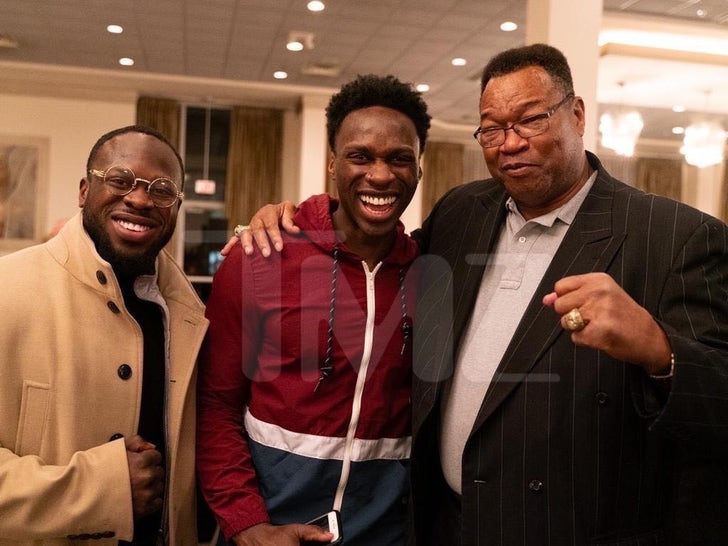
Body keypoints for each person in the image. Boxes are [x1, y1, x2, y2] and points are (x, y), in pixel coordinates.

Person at [233, 44, 728, 545]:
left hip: (569, 531)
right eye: (491, 128)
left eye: (530, 119)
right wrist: (299, 221)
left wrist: (659, 350)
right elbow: (380, 255)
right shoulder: (463, 211)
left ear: (576, 115)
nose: (509, 143)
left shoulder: (673, 237)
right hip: (443, 522)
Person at [196, 74, 431, 546]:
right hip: (268, 529)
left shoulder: (429, 273)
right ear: (332, 163)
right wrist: (246, 523)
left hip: (385, 533)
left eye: (399, 158)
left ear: (420, 168)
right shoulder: (260, 257)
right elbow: (216, 405)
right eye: (360, 156)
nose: (380, 175)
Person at [0, 125, 209, 545]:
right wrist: (103, 490)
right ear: (83, 190)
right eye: (119, 180)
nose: (139, 198)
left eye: (162, 189)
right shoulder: (7, 288)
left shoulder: (190, 313)